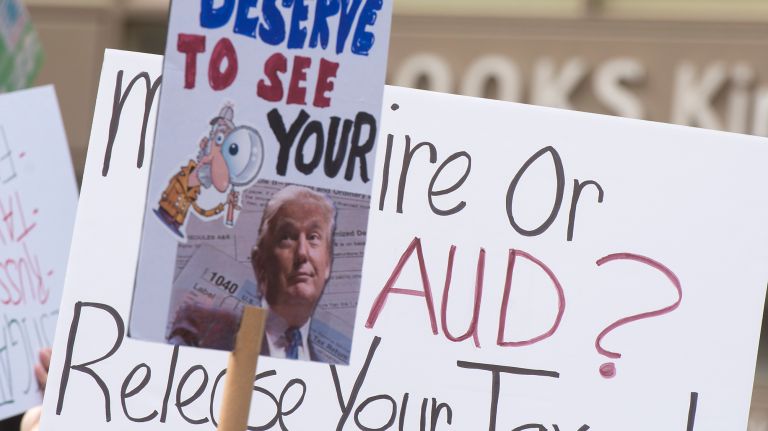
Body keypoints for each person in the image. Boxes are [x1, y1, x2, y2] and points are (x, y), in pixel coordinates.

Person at [250, 185, 335, 361]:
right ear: (260, 264)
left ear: (328, 264)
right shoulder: (213, 341)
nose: (302, 253)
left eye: (313, 237)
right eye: (287, 237)